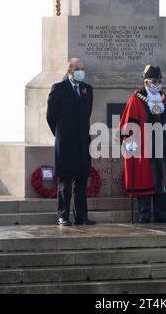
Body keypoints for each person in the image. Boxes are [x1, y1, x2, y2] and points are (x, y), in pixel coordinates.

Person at [119, 65, 166, 224]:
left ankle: (161, 215)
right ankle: (144, 215)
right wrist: (129, 142)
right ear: (146, 82)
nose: (156, 84)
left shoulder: (164, 98)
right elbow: (128, 122)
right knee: (144, 180)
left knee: (161, 180)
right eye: (153, 81)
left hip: (162, 147)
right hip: (143, 147)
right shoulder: (136, 99)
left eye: (159, 81)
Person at [46, 58, 96, 226]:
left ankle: (82, 216)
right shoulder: (59, 89)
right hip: (66, 142)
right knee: (65, 182)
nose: (81, 71)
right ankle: (63, 215)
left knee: (81, 181)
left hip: (82, 141)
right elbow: (50, 116)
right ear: (69, 71)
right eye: (77, 68)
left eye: (83, 68)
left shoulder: (87, 89)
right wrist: (60, 133)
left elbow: (87, 114)